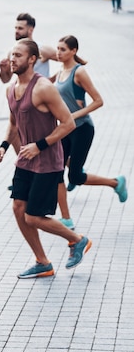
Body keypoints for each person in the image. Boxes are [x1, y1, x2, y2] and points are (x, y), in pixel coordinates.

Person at [0, 39, 92, 279]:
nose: (12, 59)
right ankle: (42, 261)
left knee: (33, 216)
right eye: (11, 54)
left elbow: (68, 123)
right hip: (26, 160)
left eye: (18, 55)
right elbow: (14, 122)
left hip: (48, 161)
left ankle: (77, 240)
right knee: (18, 208)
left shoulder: (43, 88)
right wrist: (4, 145)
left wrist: (39, 146)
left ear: (32, 59)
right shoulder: (10, 89)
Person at [52, 35, 127, 230]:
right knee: (56, 171)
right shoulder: (60, 71)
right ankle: (66, 218)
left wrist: (75, 115)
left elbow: (98, 100)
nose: (58, 53)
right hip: (66, 129)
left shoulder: (79, 72)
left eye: (63, 49)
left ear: (73, 51)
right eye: (57, 49)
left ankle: (115, 183)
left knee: (75, 177)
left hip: (82, 129)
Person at [0, 13, 58, 159]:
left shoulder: (42, 50)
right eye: (15, 28)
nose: (16, 31)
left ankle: (71, 171)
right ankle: (27, 165)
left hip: (42, 104)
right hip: (23, 101)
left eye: (20, 28)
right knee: (15, 136)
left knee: (51, 145)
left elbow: (66, 60)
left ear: (30, 30)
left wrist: (54, 79)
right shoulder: (12, 52)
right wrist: (3, 70)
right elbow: (5, 80)